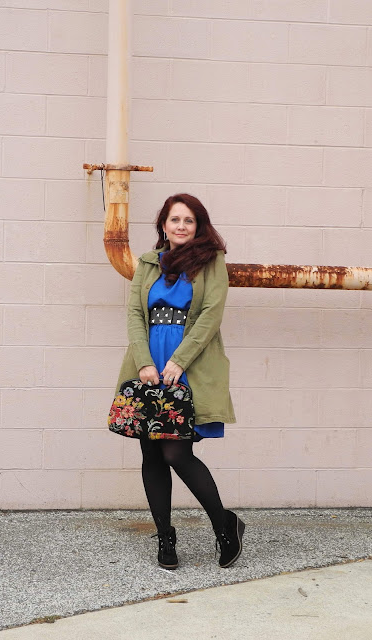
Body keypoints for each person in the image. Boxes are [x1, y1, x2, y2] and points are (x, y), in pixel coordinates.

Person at [114, 193, 245, 569]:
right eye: (175, 219)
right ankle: (165, 537)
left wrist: (179, 360)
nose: (182, 226)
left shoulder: (212, 261)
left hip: (187, 362)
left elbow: (210, 315)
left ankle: (225, 525)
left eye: (189, 220)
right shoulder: (147, 263)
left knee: (176, 452)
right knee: (151, 452)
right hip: (148, 364)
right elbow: (135, 314)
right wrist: (144, 361)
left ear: (198, 226)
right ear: (163, 225)